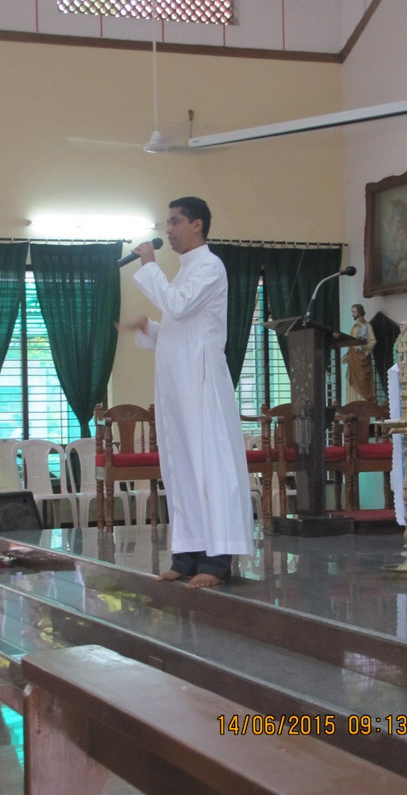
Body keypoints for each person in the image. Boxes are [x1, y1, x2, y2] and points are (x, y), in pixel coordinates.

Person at [122, 197, 254, 589]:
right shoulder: (182, 274)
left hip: (201, 381)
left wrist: (149, 266)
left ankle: (217, 562)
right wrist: (150, 329)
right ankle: (187, 557)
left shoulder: (210, 266)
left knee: (209, 468)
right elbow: (179, 328)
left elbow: (179, 309)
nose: (168, 230)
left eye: (175, 221)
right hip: (177, 384)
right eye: (167, 223)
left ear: (197, 224)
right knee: (181, 469)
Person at [342, 304, 377, 402]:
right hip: (353, 359)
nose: (352, 314)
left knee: (362, 382)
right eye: (352, 312)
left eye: (354, 312)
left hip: (361, 360)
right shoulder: (354, 326)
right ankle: (353, 403)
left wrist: (364, 350)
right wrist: (347, 355)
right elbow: (351, 344)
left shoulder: (367, 325)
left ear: (359, 313)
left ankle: (363, 403)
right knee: (352, 380)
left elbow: (372, 341)